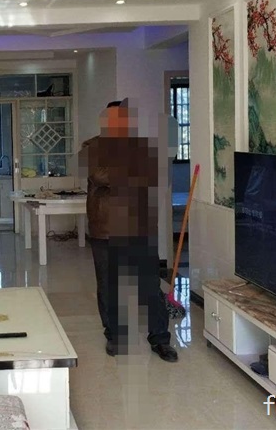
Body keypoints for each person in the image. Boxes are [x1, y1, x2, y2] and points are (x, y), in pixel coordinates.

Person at [80, 99, 178, 362]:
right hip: (105, 228)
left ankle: (160, 339)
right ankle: (114, 335)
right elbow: (100, 176)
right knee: (108, 286)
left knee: (150, 286)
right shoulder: (91, 147)